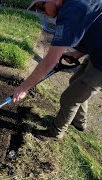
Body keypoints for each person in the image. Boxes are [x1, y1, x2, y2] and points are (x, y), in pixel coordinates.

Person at [12, 0, 102, 141]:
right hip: (97, 51)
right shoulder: (74, 4)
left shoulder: (71, 11)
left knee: (70, 97)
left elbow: (49, 62)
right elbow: (94, 26)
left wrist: (23, 88)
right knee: (75, 83)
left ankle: (56, 132)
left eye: (42, 6)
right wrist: (77, 54)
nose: (42, 12)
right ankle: (79, 122)